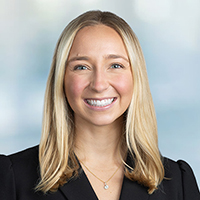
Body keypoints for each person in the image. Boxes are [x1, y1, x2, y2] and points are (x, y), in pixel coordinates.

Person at [0, 10, 199, 200]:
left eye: (115, 65)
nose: (99, 84)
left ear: (135, 77)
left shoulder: (177, 181)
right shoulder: (13, 177)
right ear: (61, 79)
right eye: (81, 67)